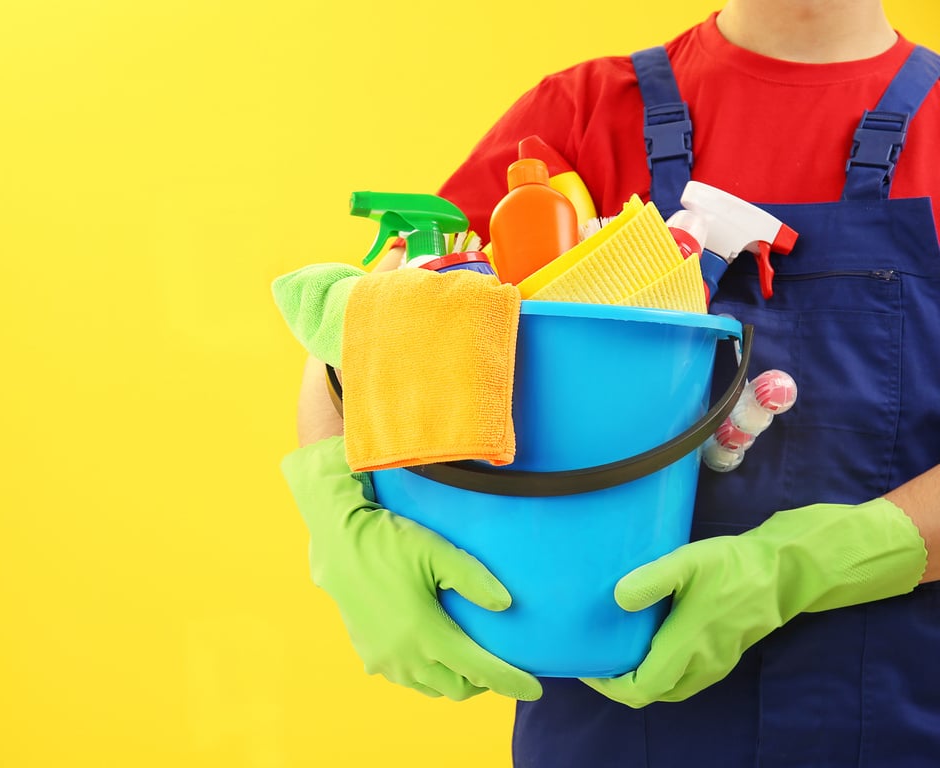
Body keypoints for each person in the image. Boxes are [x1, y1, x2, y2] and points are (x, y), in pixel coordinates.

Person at [280, 0, 940, 765]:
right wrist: (343, 519)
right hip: (607, 712)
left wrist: (814, 562)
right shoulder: (579, 118)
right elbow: (371, 329)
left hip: (898, 710)